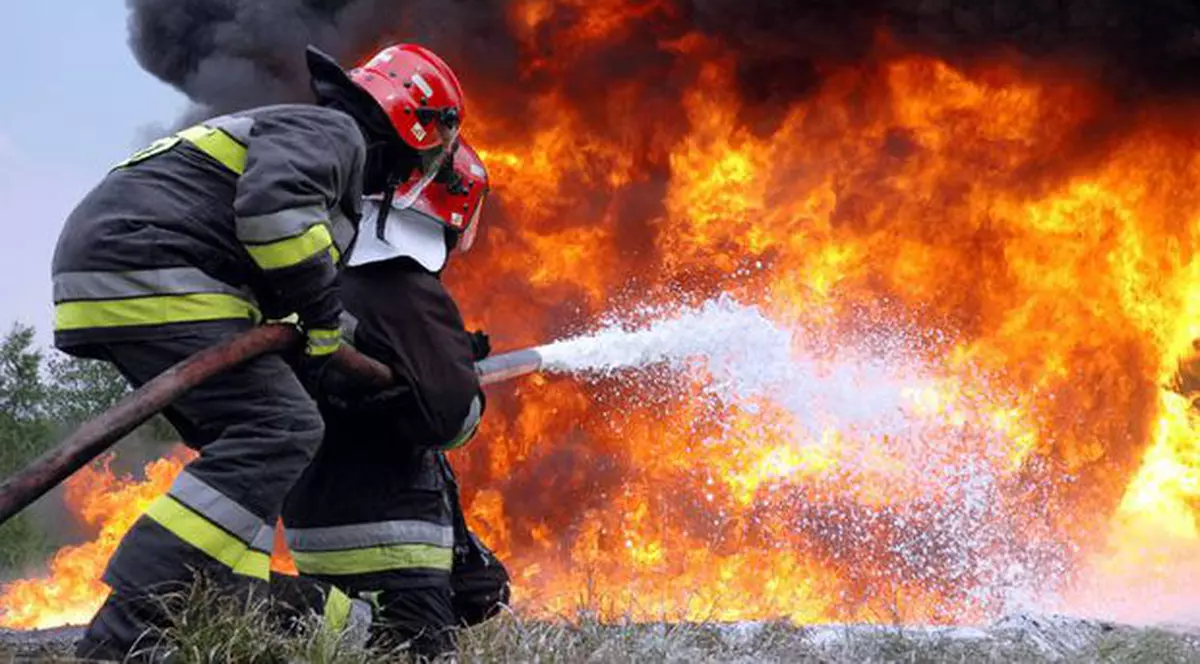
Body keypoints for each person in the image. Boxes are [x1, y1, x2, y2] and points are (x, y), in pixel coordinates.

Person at [56, 42, 468, 660]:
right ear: (412, 124)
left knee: (248, 454)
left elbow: (274, 259)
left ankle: (215, 604)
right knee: (281, 426)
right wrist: (326, 321)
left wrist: (333, 340)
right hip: (151, 264)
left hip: (121, 269)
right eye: (433, 153)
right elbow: (273, 219)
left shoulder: (310, 136)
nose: (422, 170)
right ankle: (128, 629)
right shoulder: (335, 134)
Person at [282, 138, 510, 660]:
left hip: (314, 530)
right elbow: (452, 420)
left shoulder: (323, 282)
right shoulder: (406, 288)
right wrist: (459, 377)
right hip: (394, 539)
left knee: (475, 593)